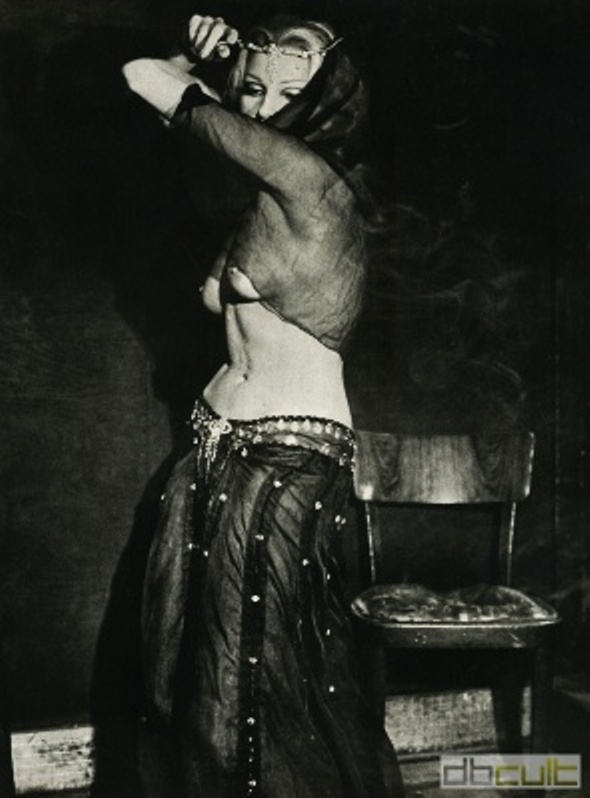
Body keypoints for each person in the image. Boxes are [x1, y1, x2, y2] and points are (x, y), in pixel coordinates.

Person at [123, 11, 405, 797]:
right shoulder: (261, 196)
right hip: (218, 448)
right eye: (251, 90)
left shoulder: (310, 179)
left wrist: (192, 67)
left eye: (289, 93)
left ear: (330, 102)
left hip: (284, 457)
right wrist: (200, 60)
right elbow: (170, 96)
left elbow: (143, 79)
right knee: (182, 673)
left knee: (246, 686)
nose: (263, 108)